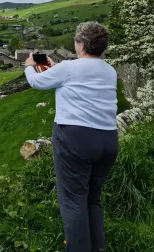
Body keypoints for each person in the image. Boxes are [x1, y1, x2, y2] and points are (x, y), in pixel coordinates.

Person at [24, 22, 118, 252]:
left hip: (76, 139)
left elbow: (36, 81)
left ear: (82, 44)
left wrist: (28, 65)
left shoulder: (68, 68)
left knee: (73, 200)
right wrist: (54, 67)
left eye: (76, 41)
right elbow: (78, 79)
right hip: (108, 139)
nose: (74, 44)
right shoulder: (110, 70)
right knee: (92, 200)